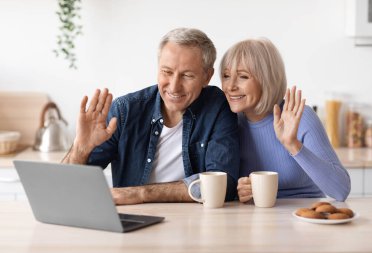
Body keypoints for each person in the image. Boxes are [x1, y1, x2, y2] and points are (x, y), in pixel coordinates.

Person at [62, 28, 239, 205]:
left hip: (192, 223)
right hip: (135, 220)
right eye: (167, 72)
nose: (174, 87)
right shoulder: (125, 110)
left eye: (187, 75)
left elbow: (223, 183)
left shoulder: (217, 107)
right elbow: (65, 187)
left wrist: (140, 194)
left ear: (207, 77)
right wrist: (80, 148)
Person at [219, 38, 350, 202]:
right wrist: (241, 191)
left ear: (266, 79)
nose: (230, 86)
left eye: (243, 76)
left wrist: (292, 145)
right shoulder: (227, 123)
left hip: (304, 214)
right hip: (257, 218)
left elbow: (341, 190)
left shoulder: (300, 118)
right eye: (225, 76)